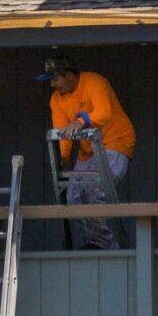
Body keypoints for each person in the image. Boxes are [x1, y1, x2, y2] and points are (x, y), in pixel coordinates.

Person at [42, 54, 135, 251]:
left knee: (93, 188)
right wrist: (63, 157)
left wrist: (81, 121)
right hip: (89, 150)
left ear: (68, 75)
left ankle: (107, 246)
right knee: (73, 196)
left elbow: (104, 112)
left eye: (55, 79)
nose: (52, 84)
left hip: (116, 143)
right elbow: (62, 132)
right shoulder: (56, 99)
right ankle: (94, 243)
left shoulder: (94, 82)